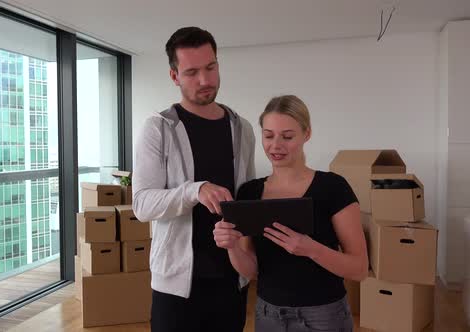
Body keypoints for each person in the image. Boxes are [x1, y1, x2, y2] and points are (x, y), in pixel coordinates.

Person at [132, 26, 256, 332]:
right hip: (176, 285)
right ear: (174, 76)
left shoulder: (242, 128)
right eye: (192, 72)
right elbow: (142, 204)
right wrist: (194, 191)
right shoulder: (158, 128)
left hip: (231, 279)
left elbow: (246, 198)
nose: (205, 80)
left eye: (211, 67)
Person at [213, 95, 368, 332]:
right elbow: (252, 270)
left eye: (287, 136)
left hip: (324, 316)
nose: (276, 146)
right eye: (268, 136)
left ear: (307, 134)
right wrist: (231, 246)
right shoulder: (249, 192)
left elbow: (359, 268)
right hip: (268, 315)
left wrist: (311, 249)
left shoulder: (333, 187)